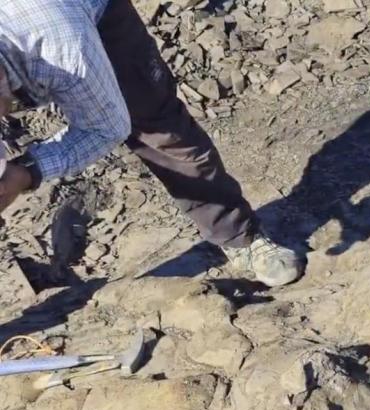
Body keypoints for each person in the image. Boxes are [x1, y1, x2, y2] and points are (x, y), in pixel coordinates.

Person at [0, 0, 303, 286]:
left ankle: (239, 236)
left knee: (159, 129)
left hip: (86, 16)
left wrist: (28, 171)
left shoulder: (61, 48)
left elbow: (106, 128)